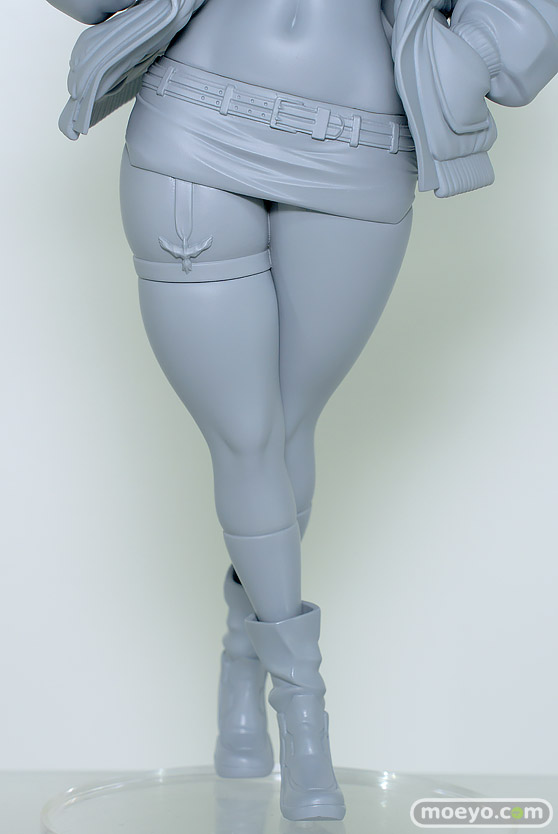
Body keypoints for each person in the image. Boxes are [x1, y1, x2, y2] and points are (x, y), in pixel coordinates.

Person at [44, 0, 558, 821]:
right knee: (247, 439)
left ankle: (241, 659)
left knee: (284, 430)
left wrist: (471, 57)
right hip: (196, 120)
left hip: (362, 144)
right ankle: (304, 715)